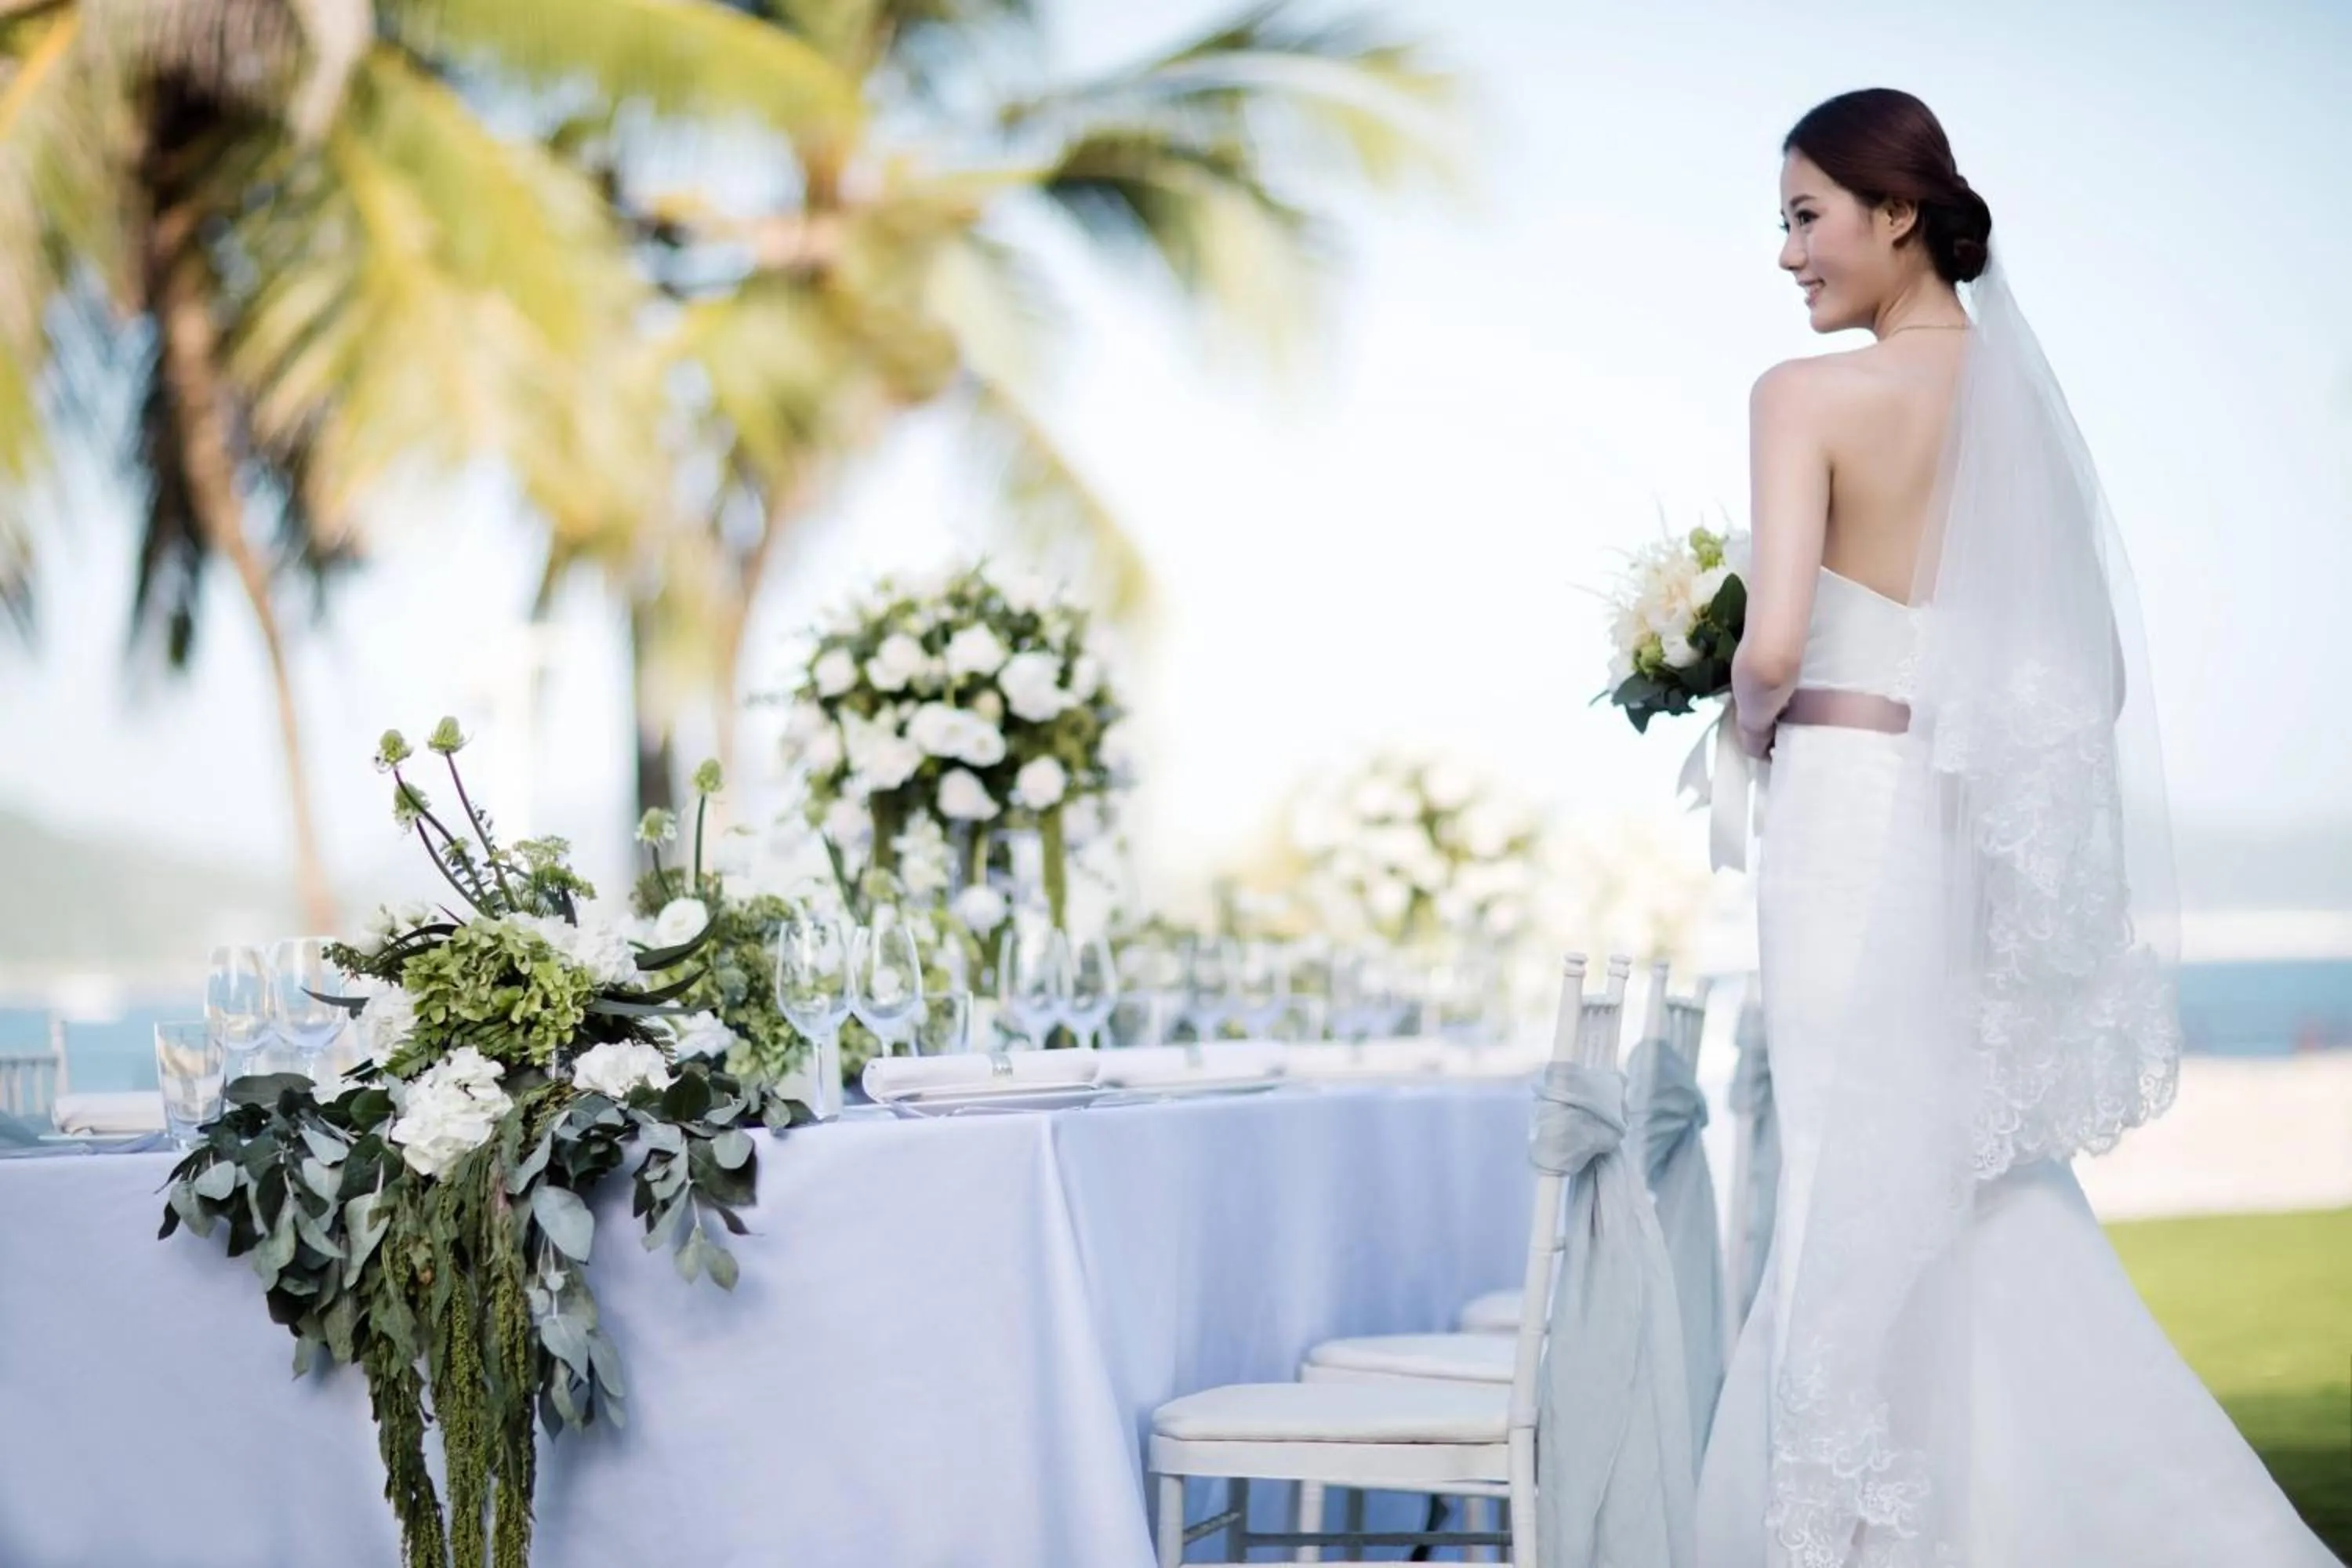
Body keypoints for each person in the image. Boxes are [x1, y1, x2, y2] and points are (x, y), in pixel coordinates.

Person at [1693, 88, 2338, 1566]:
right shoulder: (2020, 407)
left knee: (1853, 1169)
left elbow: (1777, 648)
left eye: (1805, 217)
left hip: (1849, 818)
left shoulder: (1800, 401)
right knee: (1961, 1169)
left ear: (1895, 211)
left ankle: (1857, 1519)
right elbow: (2091, 680)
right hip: (1955, 827)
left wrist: (1736, 712)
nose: (1788, 257)